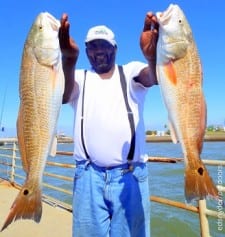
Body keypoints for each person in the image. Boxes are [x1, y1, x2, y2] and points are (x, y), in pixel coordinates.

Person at [58, 11, 159, 237]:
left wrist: (153, 58)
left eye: (104, 45)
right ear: (85, 52)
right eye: (93, 47)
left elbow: (152, 77)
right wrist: (69, 60)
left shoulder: (130, 71)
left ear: (115, 49)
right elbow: (64, 95)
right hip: (88, 176)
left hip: (130, 177)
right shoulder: (80, 78)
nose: (99, 51)